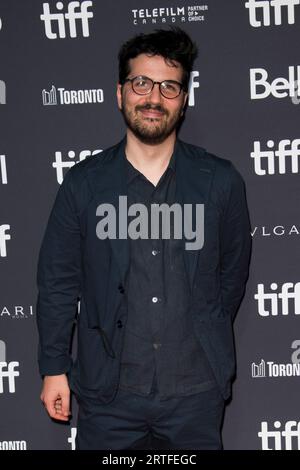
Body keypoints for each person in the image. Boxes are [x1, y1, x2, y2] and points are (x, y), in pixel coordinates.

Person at [37, 27, 252, 450]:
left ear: (184, 99)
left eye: (169, 86)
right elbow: (59, 282)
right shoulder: (83, 185)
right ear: (120, 93)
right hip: (108, 394)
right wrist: (53, 367)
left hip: (195, 391)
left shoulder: (221, 182)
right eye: (141, 83)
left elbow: (232, 277)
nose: (154, 97)